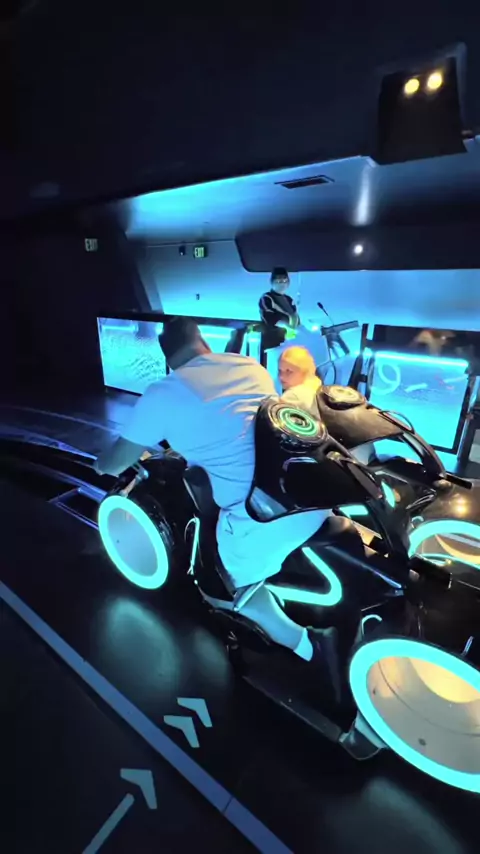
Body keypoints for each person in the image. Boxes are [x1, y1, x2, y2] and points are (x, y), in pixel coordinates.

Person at [95, 317, 338, 681]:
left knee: (222, 585)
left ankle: (309, 648)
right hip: (313, 491)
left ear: (168, 357)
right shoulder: (250, 367)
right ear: (203, 340)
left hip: (263, 518)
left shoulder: (164, 392)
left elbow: (115, 462)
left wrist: (100, 462)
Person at [259, 267, 300, 350]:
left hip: (290, 342)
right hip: (273, 343)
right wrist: (287, 327)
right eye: (279, 281)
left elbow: (295, 316)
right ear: (272, 282)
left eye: (285, 281)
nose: (282, 284)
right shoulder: (267, 298)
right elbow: (270, 319)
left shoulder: (289, 299)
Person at [279, 346, 322, 417]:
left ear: (304, 371)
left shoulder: (293, 395)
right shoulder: (316, 389)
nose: (281, 377)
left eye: (289, 371)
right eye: (280, 371)